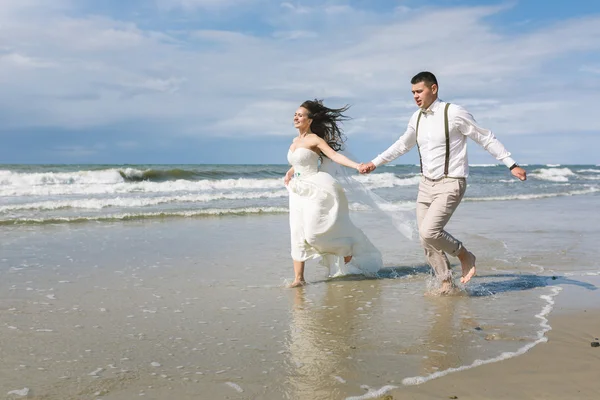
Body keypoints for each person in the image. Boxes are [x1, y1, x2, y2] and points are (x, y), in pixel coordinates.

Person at [360, 71, 527, 293]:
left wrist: (511, 164)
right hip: (426, 185)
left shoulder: (454, 112)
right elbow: (402, 145)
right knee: (425, 239)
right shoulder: (416, 117)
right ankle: (447, 283)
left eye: (419, 91)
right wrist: (374, 163)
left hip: (451, 181)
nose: (415, 96)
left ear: (434, 89)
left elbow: (484, 137)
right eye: (413, 93)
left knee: (430, 231)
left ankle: (464, 255)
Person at [284, 99, 383, 288]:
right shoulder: (295, 141)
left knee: (313, 234)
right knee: (297, 232)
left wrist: (357, 166)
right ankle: (299, 278)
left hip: (314, 189)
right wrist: (289, 172)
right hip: (296, 191)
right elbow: (297, 162)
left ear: (310, 120)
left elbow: (335, 156)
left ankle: (346, 248)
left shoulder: (315, 140)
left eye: (300, 115)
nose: (296, 117)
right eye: (295, 114)